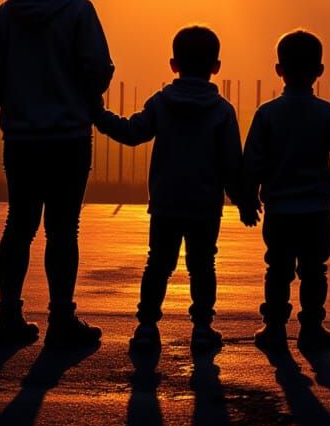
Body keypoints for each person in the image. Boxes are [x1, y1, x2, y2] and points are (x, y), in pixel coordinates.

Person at [0, 0, 114, 348]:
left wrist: (16, 102)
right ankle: (60, 318)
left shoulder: (7, 14)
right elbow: (98, 67)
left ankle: (8, 315)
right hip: (68, 138)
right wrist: (83, 97)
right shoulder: (78, 10)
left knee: (18, 225)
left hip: (21, 138)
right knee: (63, 229)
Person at [92, 26, 243, 354]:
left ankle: (147, 327)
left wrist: (99, 115)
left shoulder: (162, 103)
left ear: (174, 64)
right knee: (203, 266)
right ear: (216, 66)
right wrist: (243, 199)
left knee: (158, 264)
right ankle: (202, 328)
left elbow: (132, 132)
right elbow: (232, 162)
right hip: (205, 206)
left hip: (166, 203)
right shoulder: (222, 110)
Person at [241, 30, 330, 352]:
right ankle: (312, 327)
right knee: (314, 271)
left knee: (278, 270)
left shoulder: (267, 114)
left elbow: (252, 163)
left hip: (279, 210)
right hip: (316, 211)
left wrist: (247, 200)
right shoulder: (325, 113)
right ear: (319, 71)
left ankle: (274, 327)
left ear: (279, 69)